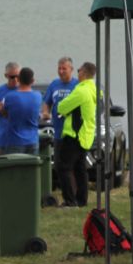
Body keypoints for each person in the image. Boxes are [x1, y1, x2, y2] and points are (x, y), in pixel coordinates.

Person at [56, 61, 98, 208]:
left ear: (84, 73)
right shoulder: (93, 89)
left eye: (79, 70)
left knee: (63, 167)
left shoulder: (82, 91)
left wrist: (64, 108)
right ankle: (81, 199)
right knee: (80, 169)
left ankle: (70, 201)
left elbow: (62, 107)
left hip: (75, 134)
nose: (77, 73)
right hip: (86, 134)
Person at [0, 66, 41, 155]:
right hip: (33, 140)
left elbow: (6, 115)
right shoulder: (38, 96)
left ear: (18, 79)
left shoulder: (10, 96)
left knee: (15, 164)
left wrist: (0, 109)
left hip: (15, 141)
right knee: (32, 164)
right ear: (32, 81)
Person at [41, 56, 77, 142]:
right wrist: (45, 112)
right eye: (59, 68)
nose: (61, 71)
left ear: (71, 69)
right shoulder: (54, 84)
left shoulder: (77, 84)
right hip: (58, 133)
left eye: (64, 69)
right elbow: (46, 102)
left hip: (74, 133)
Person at [0, 62, 20, 155]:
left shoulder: (24, 90)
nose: (15, 79)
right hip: (3, 139)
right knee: (0, 162)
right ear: (6, 76)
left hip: (20, 140)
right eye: (12, 77)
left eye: (18, 76)